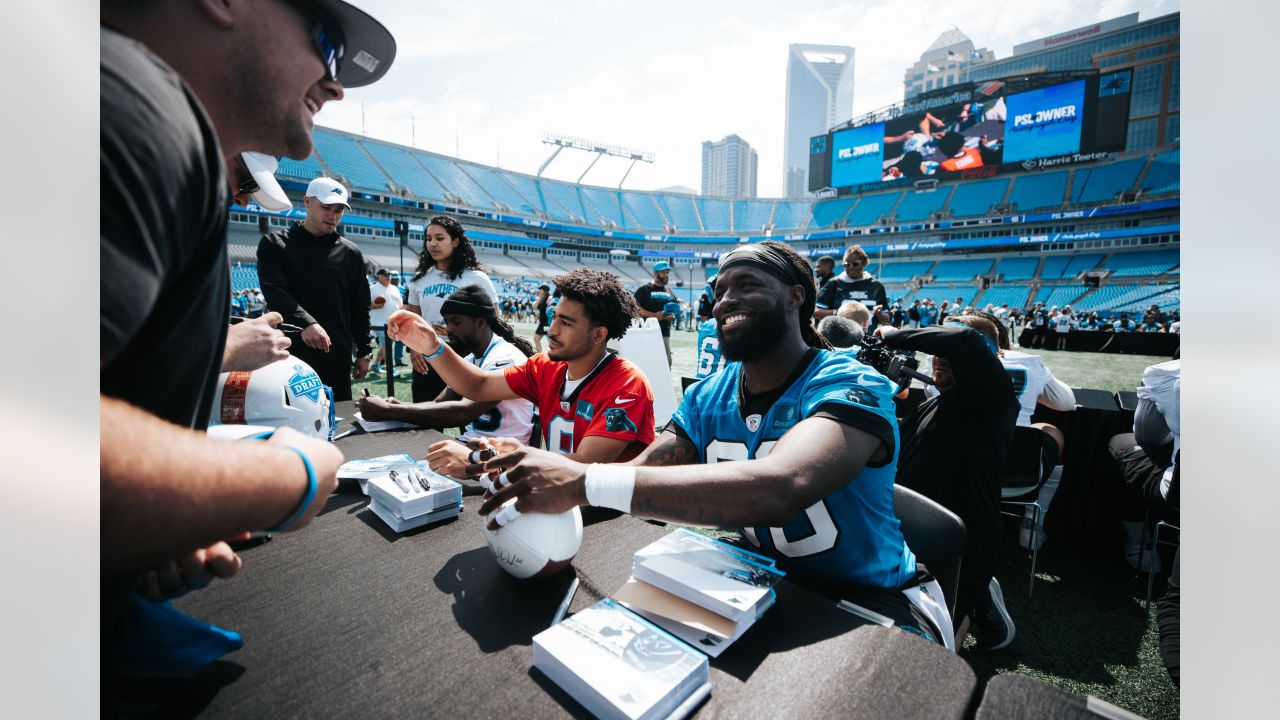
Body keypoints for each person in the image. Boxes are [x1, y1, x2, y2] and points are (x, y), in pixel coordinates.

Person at [459, 242, 955, 649]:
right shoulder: (707, 395)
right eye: (719, 291)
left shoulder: (851, 383)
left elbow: (781, 487)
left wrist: (582, 480)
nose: (724, 300)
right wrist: (541, 494)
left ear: (796, 296)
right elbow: (646, 480)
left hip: (873, 599)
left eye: (746, 285)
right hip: (764, 583)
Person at [100, 0, 394, 673]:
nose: (336, 82)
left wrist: (155, 514)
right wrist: (282, 475)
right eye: (324, 39)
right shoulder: (132, 107)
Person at [389, 268, 655, 465]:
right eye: (553, 318)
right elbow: (479, 385)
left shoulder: (627, 384)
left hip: (615, 517)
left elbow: (585, 464)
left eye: (566, 322)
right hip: (559, 494)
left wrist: (477, 460)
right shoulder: (545, 366)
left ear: (599, 335)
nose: (552, 330)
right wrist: (432, 347)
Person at [879, 315, 1019, 649]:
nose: (939, 355)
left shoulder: (992, 399)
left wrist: (893, 334)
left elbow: (964, 341)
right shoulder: (936, 403)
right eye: (936, 349)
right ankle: (979, 599)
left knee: (936, 652)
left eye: (944, 345)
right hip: (908, 534)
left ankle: (981, 605)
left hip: (961, 544)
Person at [359, 286, 536, 464]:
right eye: (447, 322)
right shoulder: (472, 358)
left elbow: (464, 412)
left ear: (481, 323)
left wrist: (391, 411)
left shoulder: (506, 358)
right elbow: (440, 404)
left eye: (456, 322)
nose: (449, 329)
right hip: (473, 447)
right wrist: (399, 405)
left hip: (502, 459)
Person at [257, 176, 372, 401]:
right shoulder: (275, 244)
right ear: (307, 201)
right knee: (291, 416)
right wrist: (306, 323)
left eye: (339, 210)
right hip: (289, 351)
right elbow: (275, 292)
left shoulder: (350, 253)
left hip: (335, 353)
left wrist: (364, 350)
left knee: (337, 421)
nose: (333, 215)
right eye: (326, 207)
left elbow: (359, 305)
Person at [404, 215, 498, 402]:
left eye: (440, 238)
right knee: (426, 418)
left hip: (467, 354)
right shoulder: (419, 279)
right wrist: (414, 348)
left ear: (455, 241)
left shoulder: (477, 277)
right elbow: (412, 319)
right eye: (429, 239)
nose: (432, 244)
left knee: (469, 422)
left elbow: (495, 319)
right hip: (429, 354)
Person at [1109, 359, 1180, 571]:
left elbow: (1147, 436)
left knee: (1124, 443)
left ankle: (1139, 545)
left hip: (1185, 496)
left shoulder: (1167, 374)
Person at [814, 246, 888, 322]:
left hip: (868, 333)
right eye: (847, 265)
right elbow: (816, 311)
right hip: (840, 333)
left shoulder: (877, 286)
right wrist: (838, 312)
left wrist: (880, 314)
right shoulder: (835, 283)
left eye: (855, 264)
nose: (851, 267)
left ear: (864, 262)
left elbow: (887, 320)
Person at [633, 261, 678, 366]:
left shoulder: (670, 291)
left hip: (664, 333)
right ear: (655, 273)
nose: (666, 275)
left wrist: (671, 317)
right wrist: (655, 316)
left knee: (666, 363)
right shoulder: (644, 289)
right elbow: (635, 308)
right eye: (663, 272)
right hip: (645, 333)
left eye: (667, 272)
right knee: (645, 362)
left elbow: (673, 311)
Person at [368, 268, 403, 375]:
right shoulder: (372, 289)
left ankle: (375, 364)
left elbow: (400, 304)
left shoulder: (394, 289)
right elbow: (362, 306)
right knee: (387, 345)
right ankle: (390, 369)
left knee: (386, 345)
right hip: (378, 323)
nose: (388, 276)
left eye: (389, 274)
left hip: (392, 322)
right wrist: (374, 305)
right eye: (385, 275)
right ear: (378, 276)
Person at [533, 285, 551, 353]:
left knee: (550, 341)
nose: (539, 291)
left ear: (544, 290)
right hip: (542, 322)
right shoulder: (540, 298)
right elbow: (534, 307)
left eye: (540, 289)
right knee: (536, 338)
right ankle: (539, 355)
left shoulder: (549, 298)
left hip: (548, 323)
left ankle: (551, 358)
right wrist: (539, 298)